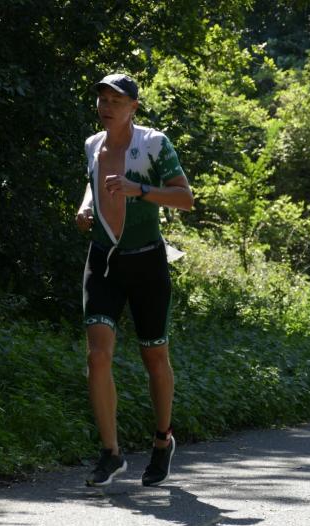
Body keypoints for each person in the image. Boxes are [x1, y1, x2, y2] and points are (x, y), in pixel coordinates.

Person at [75, 73, 193, 487]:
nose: (106, 107)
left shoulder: (154, 144)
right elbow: (93, 185)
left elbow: (185, 198)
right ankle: (111, 453)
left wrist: (137, 189)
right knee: (97, 355)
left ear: (134, 107)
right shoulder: (92, 144)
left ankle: (163, 439)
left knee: (154, 356)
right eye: (102, 99)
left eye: (116, 101)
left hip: (147, 261)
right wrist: (85, 208)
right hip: (104, 260)